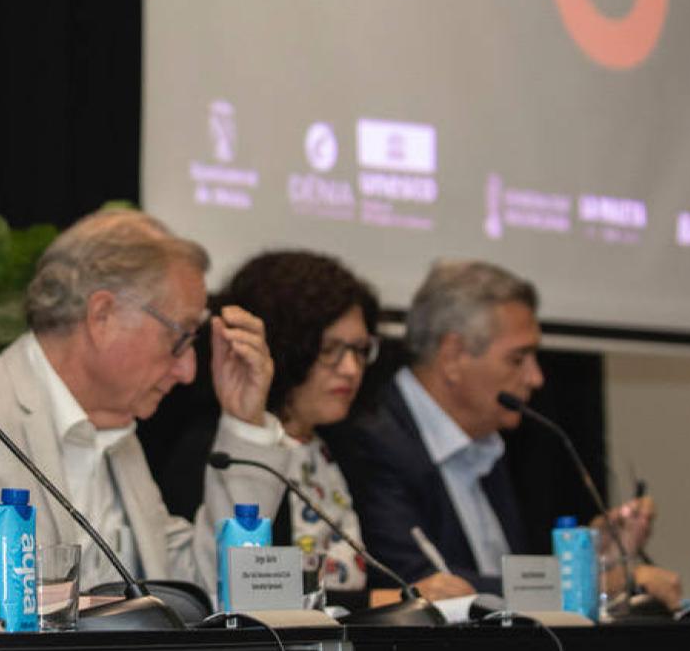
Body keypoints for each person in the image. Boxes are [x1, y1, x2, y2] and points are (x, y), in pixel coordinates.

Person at [0, 207, 290, 596]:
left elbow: (203, 587)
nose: (189, 370)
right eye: (180, 338)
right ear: (102, 315)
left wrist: (244, 420)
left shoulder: (119, 439)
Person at [333, 258, 676, 605]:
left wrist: (592, 561)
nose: (536, 378)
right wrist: (594, 582)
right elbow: (421, 586)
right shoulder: (370, 442)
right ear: (452, 356)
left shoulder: (485, 440)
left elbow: (502, 583)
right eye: (518, 359)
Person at [154, 251, 476, 609]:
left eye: (359, 350)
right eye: (330, 350)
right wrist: (390, 599)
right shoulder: (219, 451)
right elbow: (245, 593)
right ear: (285, 348)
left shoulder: (348, 449)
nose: (351, 369)